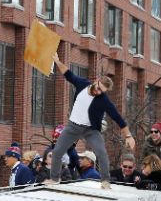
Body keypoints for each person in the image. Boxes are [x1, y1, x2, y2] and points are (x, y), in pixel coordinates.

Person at [50, 53, 135, 187]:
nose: (98, 92)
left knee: (101, 152)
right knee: (57, 151)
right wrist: (57, 61)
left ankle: (105, 181)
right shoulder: (82, 84)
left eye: (102, 91)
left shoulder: (104, 100)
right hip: (73, 127)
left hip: (90, 130)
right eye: (98, 88)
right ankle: (54, 179)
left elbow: (117, 117)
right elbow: (68, 74)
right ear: (96, 81)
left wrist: (128, 136)